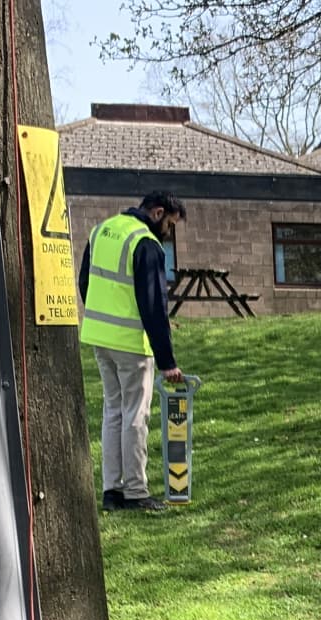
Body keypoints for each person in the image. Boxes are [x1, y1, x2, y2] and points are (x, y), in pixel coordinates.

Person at [78, 192, 187, 514]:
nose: (169, 231)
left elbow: (86, 283)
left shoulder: (102, 231)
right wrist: (167, 362)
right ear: (157, 213)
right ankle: (137, 491)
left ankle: (112, 490)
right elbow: (154, 307)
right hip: (130, 343)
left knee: (113, 412)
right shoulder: (146, 244)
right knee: (135, 415)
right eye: (170, 223)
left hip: (100, 337)